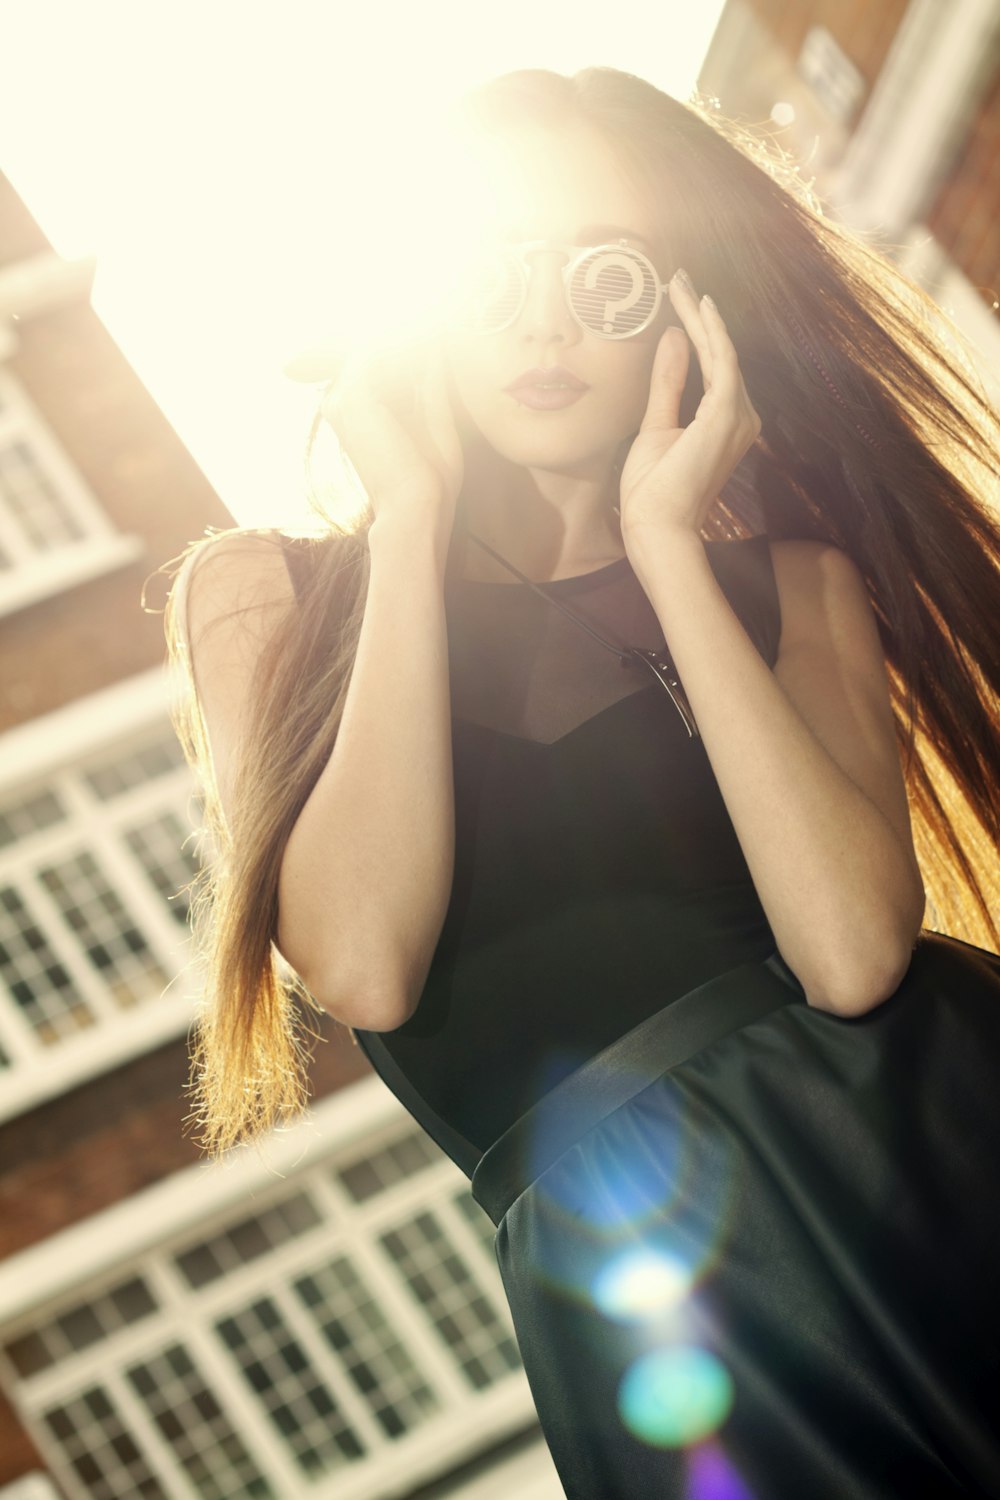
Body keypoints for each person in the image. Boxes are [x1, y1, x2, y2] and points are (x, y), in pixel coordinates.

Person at [164, 66, 1000, 1500]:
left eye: (602, 277)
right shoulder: (267, 603)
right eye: (495, 272)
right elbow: (363, 957)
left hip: (934, 1172)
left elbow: (854, 951)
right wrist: (413, 512)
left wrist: (666, 544)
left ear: (682, 309)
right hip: (646, 1306)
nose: (546, 323)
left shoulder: (787, 582)